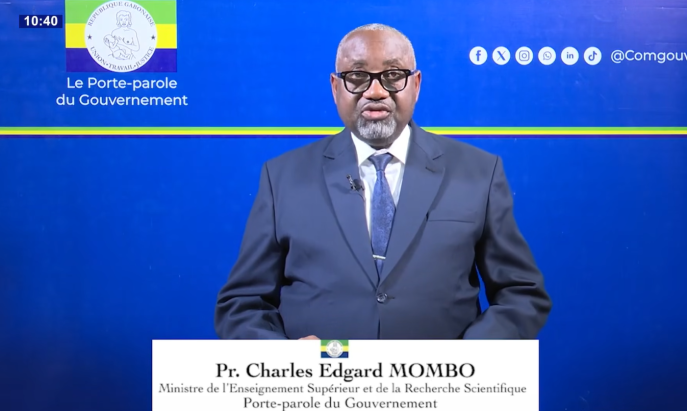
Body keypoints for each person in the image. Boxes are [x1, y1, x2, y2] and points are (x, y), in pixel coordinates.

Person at [214, 23, 552, 340]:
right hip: (323, 381)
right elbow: (242, 305)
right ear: (335, 87)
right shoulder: (282, 177)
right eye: (357, 76)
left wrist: (464, 363)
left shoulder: (479, 172)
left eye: (393, 76)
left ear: (416, 85)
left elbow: (521, 295)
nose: (375, 91)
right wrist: (286, 360)